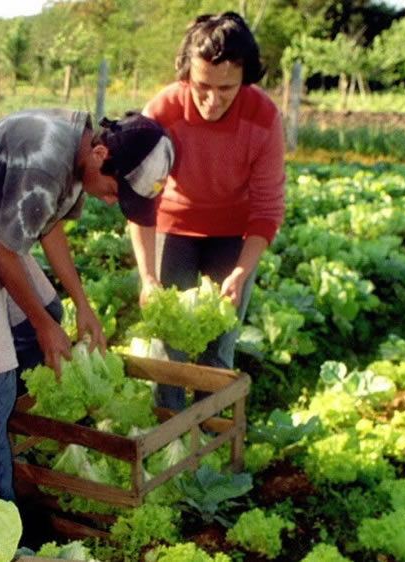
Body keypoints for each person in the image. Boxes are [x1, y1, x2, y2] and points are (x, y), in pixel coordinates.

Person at [0, 109, 174, 501]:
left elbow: (50, 226)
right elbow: (3, 256)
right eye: (114, 190)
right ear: (102, 154)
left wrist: (82, 306)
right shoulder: (48, 161)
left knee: (51, 315)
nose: (111, 202)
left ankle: (15, 417)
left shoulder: (80, 151)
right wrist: (42, 325)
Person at [133, 12, 286, 410]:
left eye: (226, 89)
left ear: (245, 80)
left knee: (219, 347)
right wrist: (148, 278)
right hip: (174, 226)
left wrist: (240, 272)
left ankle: (210, 439)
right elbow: (141, 200)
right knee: (169, 347)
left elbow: (267, 209)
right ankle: (168, 440)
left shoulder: (264, 118)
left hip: (234, 234)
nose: (212, 100)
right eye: (202, 86)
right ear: (186, 75)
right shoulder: (162, 111)